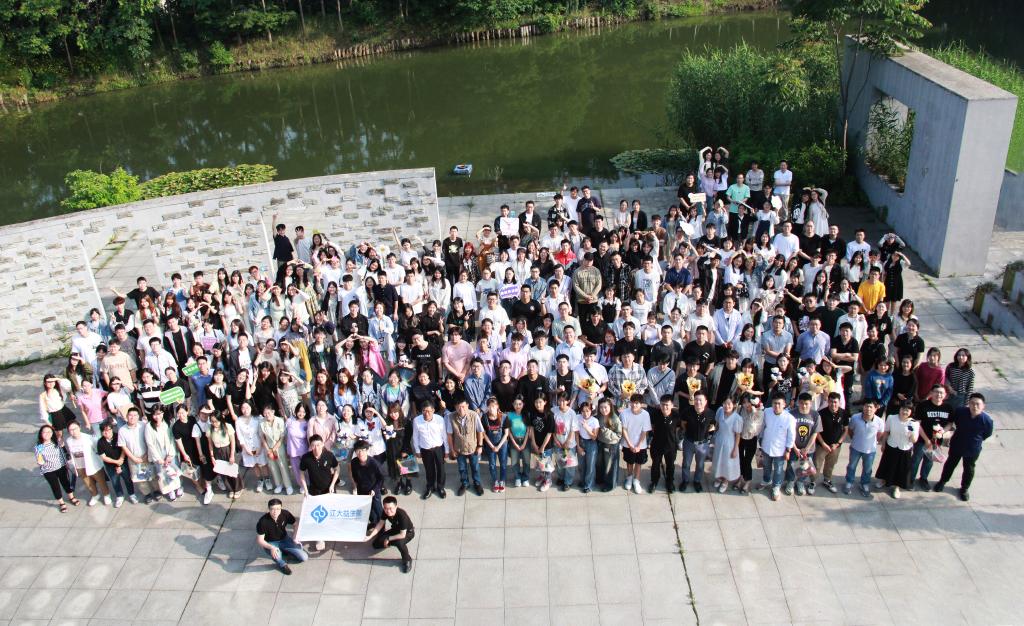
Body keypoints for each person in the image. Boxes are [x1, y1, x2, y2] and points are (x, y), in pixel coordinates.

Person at [933, 393, 994, 501]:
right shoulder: (960, 412)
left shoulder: (987, 420)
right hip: (957, 444)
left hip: (972, 449)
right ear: (968, 404)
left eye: (978, 404)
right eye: (972, 403)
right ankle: (942, 481)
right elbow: (954, 423)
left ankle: (964, 488)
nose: (974, 406)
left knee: (969, 469)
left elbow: (987, 434)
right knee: (950, 464)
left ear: (983, 406)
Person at [299, 434, 340, 551]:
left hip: (329, 489)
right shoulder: (306, 458)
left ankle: (331, 529)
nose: (316, 448)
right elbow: (301, 473)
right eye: (313, 445)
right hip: (314, 490)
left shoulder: (329, 455)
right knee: (318, 515)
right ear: (310, 446)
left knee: (331, 511)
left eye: (318, 445)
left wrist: (333, 484)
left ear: (322, 444)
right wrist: (305, 489)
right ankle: (319, 537)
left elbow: (337, 468)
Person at [874, 401, 919, 498]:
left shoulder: (914, 423)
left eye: (907, 410)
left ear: (911, 412)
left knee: (901, 469)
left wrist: (911, 433)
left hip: (904, 449)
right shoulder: (891, 418)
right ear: (900, 409)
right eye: (903, 409)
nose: (905, 412)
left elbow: (914, 440)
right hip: (891, 445)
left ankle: (897, 487)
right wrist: (883, 444)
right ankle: (884, 480)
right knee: (887, 464)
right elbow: (886, 432)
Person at [843, 400, 885, 497]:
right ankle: (849, 482)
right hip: (855, 447)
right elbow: (850, 430)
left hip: (870, 450)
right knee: (851, 466)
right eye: (866, 406)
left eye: (871, 407)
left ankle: (864, 484)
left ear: (875, 409)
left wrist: (873, 442)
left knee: (867, 469)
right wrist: (855, 439)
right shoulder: (855, 418)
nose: (868, 409)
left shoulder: (879, 421)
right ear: (863, 407)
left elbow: (880, 434)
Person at [256, 498, 308, 575]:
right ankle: (282, 565)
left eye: (278, 509)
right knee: (277, 557)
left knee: (304, 557)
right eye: (272, 509)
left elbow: (295, 524)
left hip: (284, 539)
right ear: (269, 509)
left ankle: (285, 550)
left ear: (281, 508)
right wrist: (271, 548)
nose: (275, 512)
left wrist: (294, 537)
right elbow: (260, 540)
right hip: (271, 543)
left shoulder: (285, 514)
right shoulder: (263, 522)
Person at [65, 420, 111, 506]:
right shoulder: (69, 440)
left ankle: (106, 494)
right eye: (71, 430)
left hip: (93, 463)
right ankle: (95, 495)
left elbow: (97, 449)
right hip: (79, 465)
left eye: (75, 428)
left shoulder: (89, 438)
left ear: (79, 427)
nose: (73, 431)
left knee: (101, 480)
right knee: (88, 482)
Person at [759, 393, 795, 501]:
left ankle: (776, 487)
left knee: (778, 470)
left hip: (780, 450)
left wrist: (788, 450)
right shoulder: (767, 412)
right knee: (766, 466)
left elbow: (791, 436)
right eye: (775, 403)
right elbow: (762, 426)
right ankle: (766, 480)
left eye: (779, 403)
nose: (777, 406)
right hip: (766, 446)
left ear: (784, 404)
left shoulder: (789, 418)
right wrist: (760, 439)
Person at [366, 496, 416, 573]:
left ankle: (407, 560)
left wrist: (388, 539)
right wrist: (370, 536)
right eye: (385, 508)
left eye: (390, 508)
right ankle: (391, 542)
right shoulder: (385, 512)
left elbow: (402, 535)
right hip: (395, 530)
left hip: (408, 533)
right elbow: (380, 523)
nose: (388, 511)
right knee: (375, 544)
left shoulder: (402, 515)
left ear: (396, 506)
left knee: (399, 543)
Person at [35, 424, 79, 512]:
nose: (47, 434)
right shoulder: (39, 447)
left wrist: (67, 463)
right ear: (41, 434)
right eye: (44, 432)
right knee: (55, 487)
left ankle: (71, 497)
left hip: (61, 467)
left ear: (52, 433)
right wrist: (40, 458)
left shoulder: (57, 442)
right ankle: (61, 503)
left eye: (49, 432)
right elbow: (40, 461)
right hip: (48, 471)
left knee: (66, 483)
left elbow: (64, 453)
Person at [412, 401, 448, 499]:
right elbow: (415, 436)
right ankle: (430, 487)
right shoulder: (417, 420)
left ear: (433, 410)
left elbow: (444, 436)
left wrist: (447, 450)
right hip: (425, 449)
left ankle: (440, 487)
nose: (426, 413)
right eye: (424, 411)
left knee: (441, 469)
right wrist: (417, 450)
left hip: (438, 448)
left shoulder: (440, 419)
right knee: (429, 470)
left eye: (429, 411)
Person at [679, 391, 714, 492]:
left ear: (705, 401)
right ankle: (685, 480)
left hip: (702, 444)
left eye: (700, 400)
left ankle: (697, 481)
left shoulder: (710, 413)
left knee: (700, 465)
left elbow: (712, 426)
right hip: (689, 442)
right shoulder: (687, 411)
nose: (698, 402)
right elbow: (683, 423)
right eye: (696, 400)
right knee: (686, 463)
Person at [619, 394, 651, 494]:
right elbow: (624, 429)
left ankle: (636, 480)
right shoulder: (624, 413)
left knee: (638, 462)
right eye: (632, 402)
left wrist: (638, 445)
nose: (634, 405)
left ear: (641, 404)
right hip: (627, 443)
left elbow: (644, 431)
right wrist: (630, 445)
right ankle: (629, 477)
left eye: (637, 403)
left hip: (641, 445)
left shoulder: (645, 414)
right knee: (629, 462)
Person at [710, 396, 742, 493]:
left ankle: (725, 481)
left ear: (734, 405)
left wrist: (735, 449)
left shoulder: (737, 418)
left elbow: (737, 435)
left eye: (729, 404)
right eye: (725, 403)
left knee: (727, 462)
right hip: (719, 439)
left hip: (729, 443)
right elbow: (717, 425)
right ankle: (719, 477)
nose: (726, 406)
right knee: (718, 460)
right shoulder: (720, 411)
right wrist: (713, 437)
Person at [350, 440, 386, 524]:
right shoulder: (354, 462)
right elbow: (354, 475)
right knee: (367, 509)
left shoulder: (374, 464)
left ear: (367, 450)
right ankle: (374, 523)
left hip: (373, 491)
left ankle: (382, 525)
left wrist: (375, 489)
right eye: (358, 451)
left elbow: (381, 478)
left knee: (378, 509)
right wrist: (356, 486)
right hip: (361, 490)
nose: (360, 453)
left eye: (363, 450)